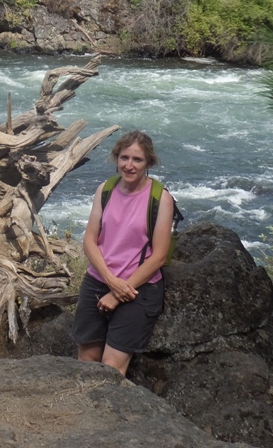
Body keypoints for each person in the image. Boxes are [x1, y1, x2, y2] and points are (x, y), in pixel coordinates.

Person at [71, 130, 174, 375]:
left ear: (149, 163)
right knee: (87, 356)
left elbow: (159, 256)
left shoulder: (161, 199)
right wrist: (109, 280)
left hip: (138, 288)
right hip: (99, 280)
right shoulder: (105, 190)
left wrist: (118, 294)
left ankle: (106, 413)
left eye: (137, 160)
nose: (129, 165)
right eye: (124, 158)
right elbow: (90, 240)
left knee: (112, 366)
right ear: (116, 159)